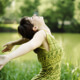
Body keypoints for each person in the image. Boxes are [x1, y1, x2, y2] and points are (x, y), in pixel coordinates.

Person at [0, 15, 63, 80]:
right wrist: (8, 57)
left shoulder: (46, 31)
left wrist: (13, 43)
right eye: (31, 18)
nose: (34, 15)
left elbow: (27, 39)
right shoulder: (41, 34)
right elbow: (31, 44)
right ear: (35, 27)